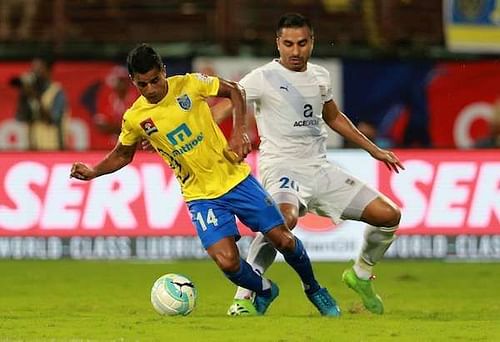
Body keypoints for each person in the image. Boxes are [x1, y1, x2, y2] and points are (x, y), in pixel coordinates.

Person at [69, 43, 340, 317]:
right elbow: (122, 155)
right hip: (199, 195)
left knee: (283, 239)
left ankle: (314, 288)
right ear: (133, 82)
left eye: (155, 80)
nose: (151, 89)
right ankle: (266, 290)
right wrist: (93, 172)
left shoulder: (190, 84)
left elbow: (235, 90)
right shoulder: (135, 118)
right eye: (143, 85)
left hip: (235, 179)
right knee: (227, 262)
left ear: (163, 71)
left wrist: (239, 132)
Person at [213, 13, 404, 316]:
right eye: (288, 44)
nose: (295, 51)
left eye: (302, 43)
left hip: (320, 169)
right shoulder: (262, 77)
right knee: (281, 221)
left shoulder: (319, 76)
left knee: (389, 216)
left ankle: (361, 275)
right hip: (282, 168)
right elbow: (222, 108)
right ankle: (244, 296)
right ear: (278, 43)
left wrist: (373, 149)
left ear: (312, 42)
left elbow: (333, 118)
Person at [10, 56, 69, 150]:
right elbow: (20, 117)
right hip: (34, 148)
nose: (34, 71)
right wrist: (24, 95)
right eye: (33, 68)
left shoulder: (56, 91)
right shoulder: (30, 93)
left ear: (48, 71)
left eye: (39, 68)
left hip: (54, 149)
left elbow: (52, 120)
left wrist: (35, 96)